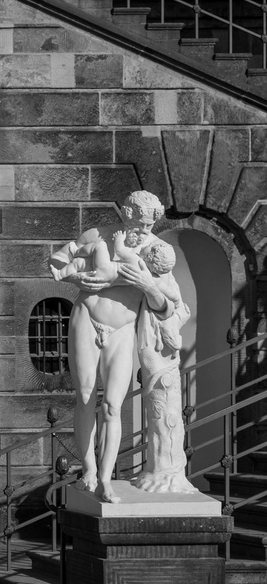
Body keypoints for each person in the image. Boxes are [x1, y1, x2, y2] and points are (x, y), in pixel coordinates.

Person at [48, 190, 178, 503]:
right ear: (125, 214)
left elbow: (168, 305)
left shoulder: (157, 250)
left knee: (112, 406)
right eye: (139, 222)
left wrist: (135, 283)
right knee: (85, 397)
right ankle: (89, 471)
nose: (143, 231)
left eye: (149, 225)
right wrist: (78, 278)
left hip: (121, 330)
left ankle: (106, 479)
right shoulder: (97, 236)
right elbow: (56, 264)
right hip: (86, 318)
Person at [131, 239, 199, 494]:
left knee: (166, 405)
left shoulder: (164, 279)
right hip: (151, 341)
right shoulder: (146, 270)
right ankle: (158, 467)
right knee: (157, 402)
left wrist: (171, 324)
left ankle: (169, 470)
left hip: (165, 347)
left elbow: (183, 309)